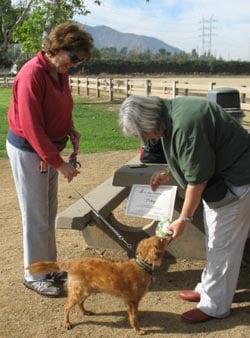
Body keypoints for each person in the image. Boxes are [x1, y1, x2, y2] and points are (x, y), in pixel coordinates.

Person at [119, 95, 250, 322]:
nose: (148, 139)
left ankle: (215, 305)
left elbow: (198, 178)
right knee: (215, 240)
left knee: (223, 245)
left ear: (149, 121)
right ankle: (208, 289)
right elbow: (194, 157)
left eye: (145, 134)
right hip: (224, 181)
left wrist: (184, 219)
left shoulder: (186, 124)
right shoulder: (171, 114)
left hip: (236, 181)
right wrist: (169, 173)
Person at [6, 22, 93, 297]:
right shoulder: (32, 73)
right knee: (35, 216)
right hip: (28, 150)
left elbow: (61, 106)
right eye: (75, 58)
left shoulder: (59, 72)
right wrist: (58, 162)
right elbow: (31, 126)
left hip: (45, 151)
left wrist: (70, 128)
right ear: (57, 48)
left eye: (81, 60)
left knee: (48, 213)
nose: (76, 65)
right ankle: (34, 275)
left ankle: (49, 267)